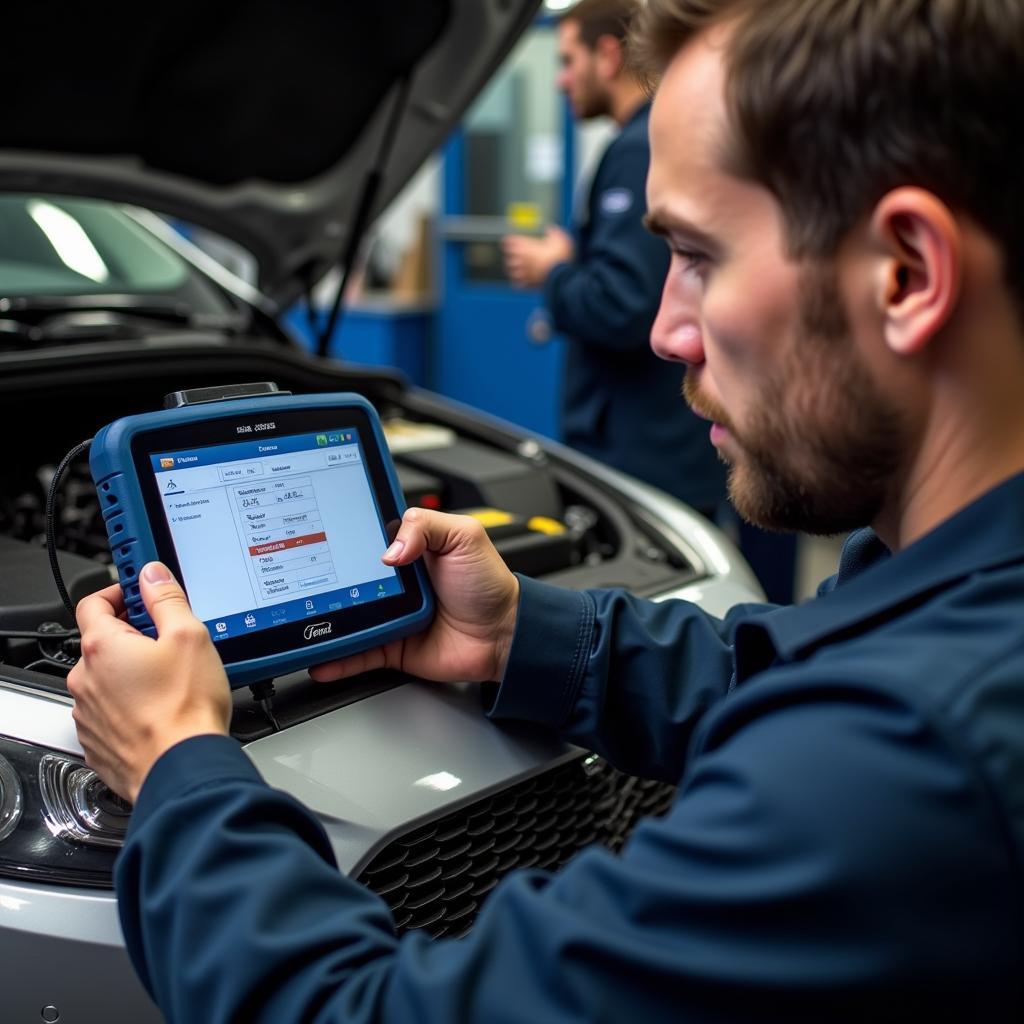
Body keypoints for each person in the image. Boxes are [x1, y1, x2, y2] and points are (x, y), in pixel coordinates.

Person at [69, 0, 1024, 1019]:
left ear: (905, 273)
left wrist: (179, 767)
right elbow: (793, 666)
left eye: (698, 256)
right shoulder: (943, 598)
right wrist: (520, 633)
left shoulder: (906, 759)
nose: (664, 329)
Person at [502, 0, 726, 518]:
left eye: (566, 60)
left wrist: (552, 272)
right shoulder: (643, 142)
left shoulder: (638, 149)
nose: (560, 81)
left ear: (606, 55)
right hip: (654, 445)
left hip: (641, 452)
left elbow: (624, 305)